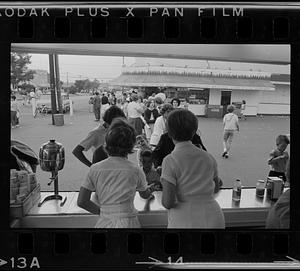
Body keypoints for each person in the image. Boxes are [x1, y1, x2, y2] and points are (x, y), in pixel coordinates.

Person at [77, 118, 155, 228]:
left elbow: (82, 201)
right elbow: (144, 195)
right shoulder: (135, 170)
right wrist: (150, 190)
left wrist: (103, 212)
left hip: (104, 222)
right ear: (131, 146)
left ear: (106, 145)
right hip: (129, 222)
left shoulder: (95, 169)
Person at [160, 109, 225, 228]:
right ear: (194, 131)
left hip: (185, 219)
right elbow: (215, 188)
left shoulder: (170, 160)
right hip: (214, 216)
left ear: (168, 133)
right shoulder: (208, 157)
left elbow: (168, 202)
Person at [265, 158, 290, 229]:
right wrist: (281, 157)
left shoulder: (283, 203)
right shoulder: (285, 210)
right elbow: (269, 161)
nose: (284, 147)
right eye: (283, 145)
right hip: (275, 172)